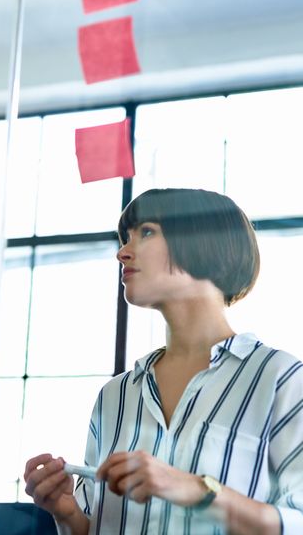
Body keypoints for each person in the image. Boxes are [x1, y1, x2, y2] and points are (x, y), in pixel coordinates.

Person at [24, 188, 303, 534]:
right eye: (125, 238)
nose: (122, 252)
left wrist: (197, 489)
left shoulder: (282, 381)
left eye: (147, 232)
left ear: (204, 240)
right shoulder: (115, 396)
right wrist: (67, 515)